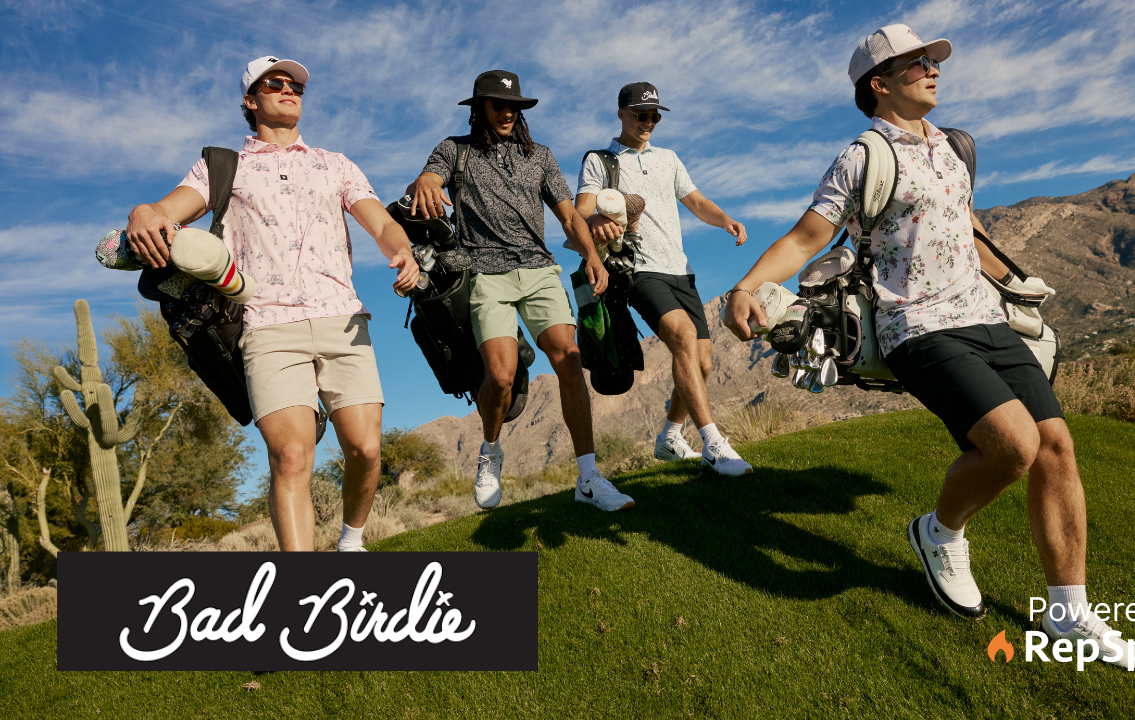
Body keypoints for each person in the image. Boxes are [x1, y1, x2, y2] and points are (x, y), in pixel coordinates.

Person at [722, 25, 1135, 676]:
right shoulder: (863, 156)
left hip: (986, 317)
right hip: (917, 326)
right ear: (879, 83)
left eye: (932, 59)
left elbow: (967, 226)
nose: (933, 68)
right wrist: (744, 288)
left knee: (1057, 446)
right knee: (1015, 446)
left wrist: (1014, 281)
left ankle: (1068, 612)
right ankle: (939, 532)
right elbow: (805, 237)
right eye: (916, 63)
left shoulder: (952, 148)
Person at [125, 56, 420, 552]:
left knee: (366, 449)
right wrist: (142, 212)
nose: (289, 90)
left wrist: (403, 251)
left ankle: (351, 541)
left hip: (342, 318)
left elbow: (382, 224)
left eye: (296, 86)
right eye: (275, 84)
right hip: (266, 326)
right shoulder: (223, 167)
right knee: (291, 456)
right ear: (250, 100)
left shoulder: (336, 164)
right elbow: (165, 209)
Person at [407, 70, 634, 513]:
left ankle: (588, 478)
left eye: (515, 106)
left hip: (539, 270)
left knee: (569, 359)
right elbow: (429, 179)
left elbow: (569, 216)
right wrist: (427, 182)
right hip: (484, 276)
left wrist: (591, 255)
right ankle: (490, 451)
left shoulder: (540, 155)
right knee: (500, 377)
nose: (508, 112)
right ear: (480, 108)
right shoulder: (454, 149)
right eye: (499, 105)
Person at [574, 82, 753, 475]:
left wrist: (725, 220)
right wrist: (596, 220)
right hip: (638, 269)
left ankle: (670, 437)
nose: (649, 122)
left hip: (680, 270)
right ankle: (714, 444)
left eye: (654, 116)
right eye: (641, 115)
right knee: (682, 336)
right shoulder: (600, 161)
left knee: (702, 362)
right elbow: (581, 211)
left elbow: (696, 201)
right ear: (621, 113)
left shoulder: (669, 159)